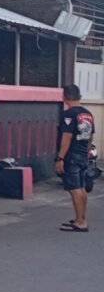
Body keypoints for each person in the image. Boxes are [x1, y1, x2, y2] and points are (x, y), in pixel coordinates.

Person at [56, 84, 94, 232]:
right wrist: (87, 151)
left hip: (71, 155)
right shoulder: (88, 114)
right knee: (81, 187)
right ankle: (81, 217)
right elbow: (90, 136)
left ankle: (80, 222)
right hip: (83, 154)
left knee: (73, 188)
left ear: (65, 97)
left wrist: (60, 158)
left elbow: (67, 136)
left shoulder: (68, 114)